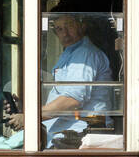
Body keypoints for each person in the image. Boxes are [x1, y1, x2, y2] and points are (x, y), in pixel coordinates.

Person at [10, 8, 111, 148]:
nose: (65, 33)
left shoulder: (84, 54)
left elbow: (72, 100)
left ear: (81, 26)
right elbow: (60, 95)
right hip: (63, 130)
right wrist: (26, 111)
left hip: (80, 132)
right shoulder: (70, 52)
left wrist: (31, 117)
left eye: (69, 25)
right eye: (59, 28)